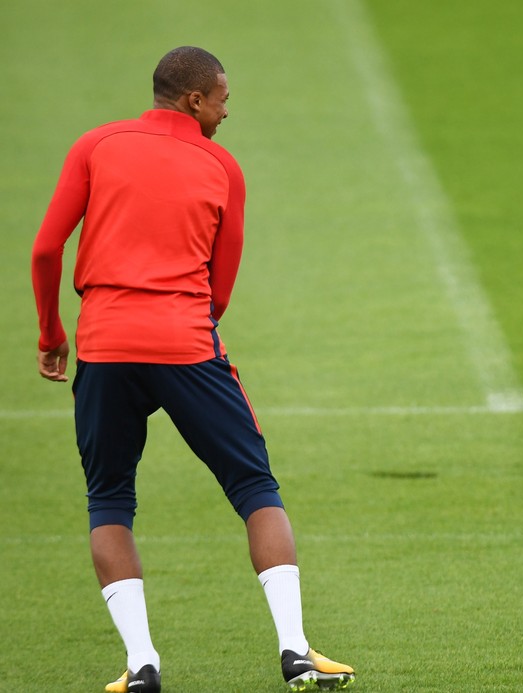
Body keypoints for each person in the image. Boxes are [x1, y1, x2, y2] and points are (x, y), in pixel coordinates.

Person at [31, 46, 355, 693]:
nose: (227, 111)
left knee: (110, 499)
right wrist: (189, 329)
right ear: (193, 100)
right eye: (223, 99)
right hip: (185, 342)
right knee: (254, 486)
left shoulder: (95, 144)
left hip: (103, 343)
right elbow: (221, 283)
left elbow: (45, 247)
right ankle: (294, 649)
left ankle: (142, 664)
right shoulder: (221, 166)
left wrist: (52, 331)